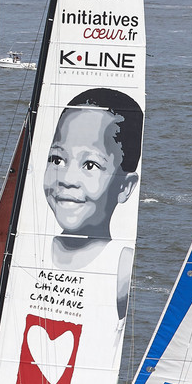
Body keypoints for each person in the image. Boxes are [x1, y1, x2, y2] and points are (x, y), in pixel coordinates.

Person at [41, 87, 144, 318]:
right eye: (57, 159)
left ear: (124, 187)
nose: (66, 180)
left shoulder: (121, 266)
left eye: (90, 166)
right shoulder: (28, 245)